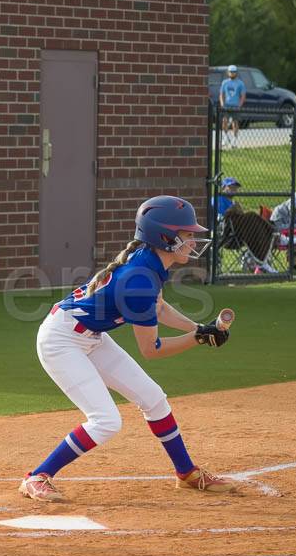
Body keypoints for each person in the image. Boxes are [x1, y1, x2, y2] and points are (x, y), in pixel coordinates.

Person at [20, 195, 238, 503]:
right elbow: (152, 349)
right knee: (106, 420)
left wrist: (198, 328)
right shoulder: (140, 278)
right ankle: (37, 477)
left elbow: (159, 309)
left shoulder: (151, 262)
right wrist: (198, 340)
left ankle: (186, 474)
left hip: (90, 336)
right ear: (166, 237)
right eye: (187, 234)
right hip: (62, 341)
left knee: (154, 399)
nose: (193, 240)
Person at [215, 177, 276, 274]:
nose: (234, 189)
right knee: (251, 215)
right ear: (223, 187)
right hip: (226, 234)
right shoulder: (218, 199)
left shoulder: (233, 202)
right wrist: (233, 210)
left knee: (255, 229)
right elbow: (221, 218)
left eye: (235, 187)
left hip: (239, 233)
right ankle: (273, 232)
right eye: (231, 187)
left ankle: (262, 264)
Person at [219, 65, 245, 149]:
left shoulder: (240, 83)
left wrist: (240, 105)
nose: (232, 73)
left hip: (235, 106)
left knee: (235, 123)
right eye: (231, 71)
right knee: (224, 121)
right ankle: (225, 138)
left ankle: (234, 141)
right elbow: (221, 94)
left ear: (236, 73)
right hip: (226, 106)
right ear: (228, 72)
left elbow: (243, 96)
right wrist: (222, 103)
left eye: (234, 72)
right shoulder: (225, 82)